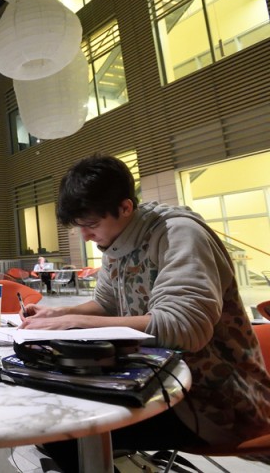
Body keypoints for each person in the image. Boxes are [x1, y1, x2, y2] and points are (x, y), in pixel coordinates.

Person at [20, 154, 270, 472]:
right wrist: (60, 314)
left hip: (216, 399)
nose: (85, 236)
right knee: (52, 414)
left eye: (91, 225)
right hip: (158, 380)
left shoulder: (178, 234)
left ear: (126, 208)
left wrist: (76, 321)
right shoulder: (116, 242)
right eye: (80, 227)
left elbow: (184, 328)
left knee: (67, 436)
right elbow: (108, 306)